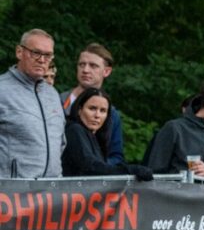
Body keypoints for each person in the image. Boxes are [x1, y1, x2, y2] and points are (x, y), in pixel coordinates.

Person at [0, 29, 65, 178]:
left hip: (52, 188)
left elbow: (61, 143)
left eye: (48, 55)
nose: (42, 60)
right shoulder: (2, 89)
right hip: (11, 190)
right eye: (36, 53)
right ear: (19, 52)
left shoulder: (53, 94)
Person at [61, 88, 153, 180]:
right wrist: (129, 170)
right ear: (79, 110)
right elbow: (91, 167)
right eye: (92, 108)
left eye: (103, 111)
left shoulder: (94, 136)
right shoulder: (74, 130)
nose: (97, 115)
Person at [60, 43, 125, 165]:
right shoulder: (57, 103)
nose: (85, 70)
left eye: (93, 66)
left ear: (106, 71)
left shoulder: (112, 114)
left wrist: (96, 166)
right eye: (81, 64)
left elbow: (116, 157)